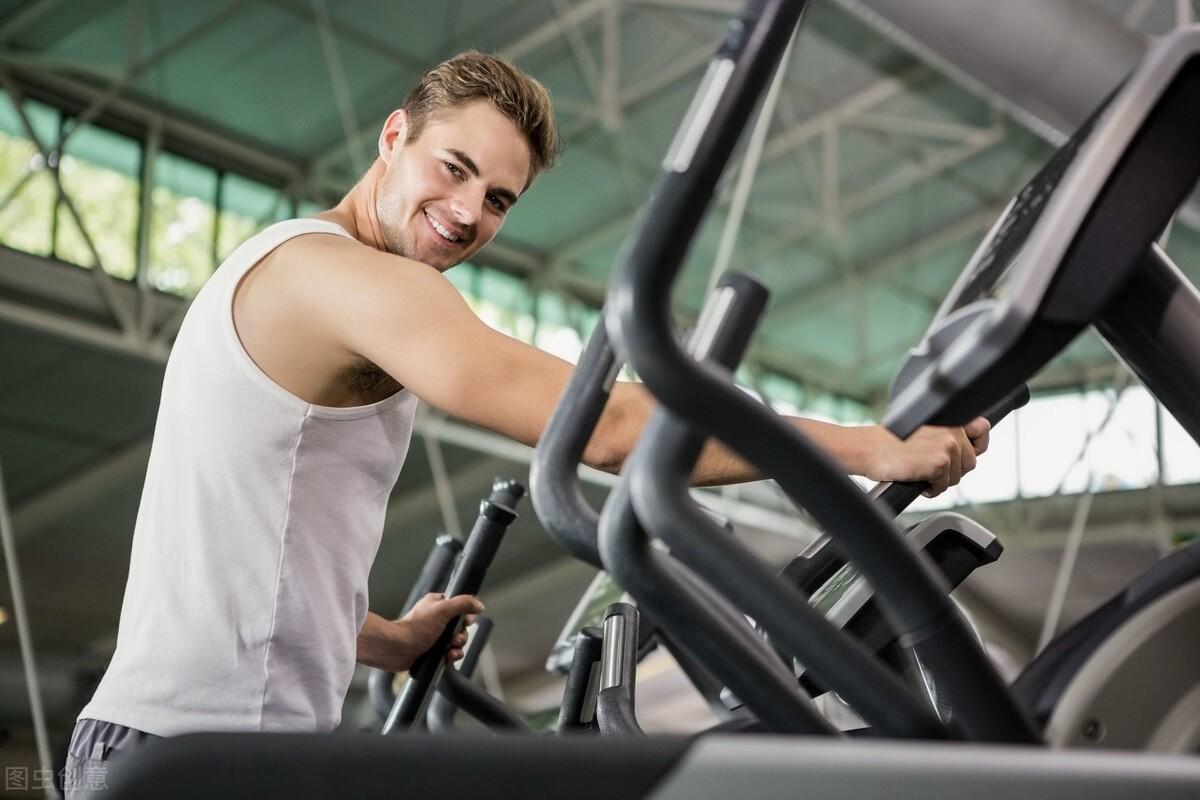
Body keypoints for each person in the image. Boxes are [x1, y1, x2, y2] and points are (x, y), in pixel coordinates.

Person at [64, 51, 989, 795]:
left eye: (499, 199)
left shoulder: (291, 268)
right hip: (198, 756)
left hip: (176, 740)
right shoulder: (350, 280)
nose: (467, 214)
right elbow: (615, 430)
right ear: (394, 136)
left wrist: (387, 638)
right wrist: (873, 448)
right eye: (453, 169)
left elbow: (244, 549)